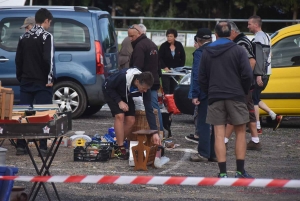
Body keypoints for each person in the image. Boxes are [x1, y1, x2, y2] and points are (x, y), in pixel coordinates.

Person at [199, 21, 253, 178]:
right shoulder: (238, 50)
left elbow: (201, 77)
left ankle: (222, 173)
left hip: (215, 95)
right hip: (236, 95)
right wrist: (243, 91)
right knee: (241, 132)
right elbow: (247, 74)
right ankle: (240, 171)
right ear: (231, 34)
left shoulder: (207, 52)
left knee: (218, 133)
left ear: (215, 35)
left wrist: (209, 91)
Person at [15, 8, 55, 156]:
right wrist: (49, 78)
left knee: (24, 113)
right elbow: (48, 60)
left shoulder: (23, 37)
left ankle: (21, 145)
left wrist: (21, 77)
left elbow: (18, 60)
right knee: (43, 114)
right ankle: (43, 147)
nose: (49, 25)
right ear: (46, 21)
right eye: (49, 22)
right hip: (42, 82)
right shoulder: (46, 36)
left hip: (26, 80)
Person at [102, 68, 161, 159]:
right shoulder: (122, 77)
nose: (145, 91)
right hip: (111, 91)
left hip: (127, 94)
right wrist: (119, 101)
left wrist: (155, 132)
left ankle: (117, 144)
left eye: (147, 89)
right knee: (120, 116)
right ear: (137, 82)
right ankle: (120, 147)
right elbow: (107, 86)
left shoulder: (146, 87)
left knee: (131, 120)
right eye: (144, 88)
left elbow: (149, 109)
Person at [225, 21, 261, 151]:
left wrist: (244, 79)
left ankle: (224, 140)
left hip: (243, 84)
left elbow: (251, 61)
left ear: (233, 32)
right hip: (248, 84)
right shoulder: (244, 39)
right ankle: (255, 140)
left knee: (233, 111)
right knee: (250, 111)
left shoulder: (240, 43)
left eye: (228, 34)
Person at [248, 15, 282, 134]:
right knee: (255, 97)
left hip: (260, 73)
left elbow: (260, 57)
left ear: (256, 25)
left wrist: (258, 74)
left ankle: (258, 127)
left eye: (249, 24)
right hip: (266, 72)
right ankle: (274, 115)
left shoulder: (258, 38)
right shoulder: (267, 36)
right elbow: (269, 55)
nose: (248, 26)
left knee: (254, 100)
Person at [128, 24, 164, 137]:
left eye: (132, 36)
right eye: (129, 36)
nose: (130, 39)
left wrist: (136, 83)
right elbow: (158, 64)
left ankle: (158, 133)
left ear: (139, 33)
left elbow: (137, 68)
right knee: (155, 108)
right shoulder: (151, 44)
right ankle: (160, 132)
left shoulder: (139, 46)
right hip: (154, 80)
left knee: (151, 108)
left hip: (145, 83)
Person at [188, 28, 216, 162]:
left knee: (204, 123)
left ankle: (204, 153)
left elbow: (198, 75)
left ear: (198, 40)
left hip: (205, 93)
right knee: (217, 123)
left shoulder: (200, 52)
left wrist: (195, 94)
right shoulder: (219, 50)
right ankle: (215, 153)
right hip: (219, 91)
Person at [159, 28, 186, 94]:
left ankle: (174, 103)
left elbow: (183, 57)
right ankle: (166, 103)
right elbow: (159, 58)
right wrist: (164, 67)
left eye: (171, 36)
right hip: (166, 72)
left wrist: (180, 69)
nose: (169, 38)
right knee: (166, 89)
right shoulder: (163, 46)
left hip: (176, 72)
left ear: (175, 37)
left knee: (175, 89)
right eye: (168, 36)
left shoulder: (179, 45)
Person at [185, 36, 200, 143]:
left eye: (195, 43)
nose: (194, 45)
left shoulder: (199, 54)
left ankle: (198, 135)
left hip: (200, 93)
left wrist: (194, 94)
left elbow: (197, 76)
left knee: (198, 114)